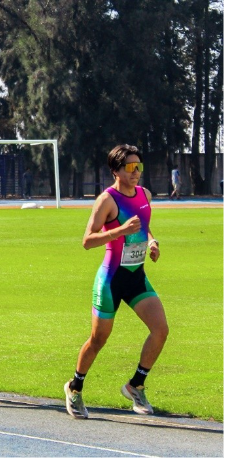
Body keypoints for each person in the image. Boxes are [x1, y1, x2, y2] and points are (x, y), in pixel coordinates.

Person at [64, 144, 168, 419]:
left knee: (160, 330)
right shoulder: (107, 200)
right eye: (130, 167)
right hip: (111, 279)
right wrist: (120, 230)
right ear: (115, 171)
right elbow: (87, 241)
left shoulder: (145, 194)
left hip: (136, 277)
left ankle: (136, 385)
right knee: (98, 339)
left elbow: (143, 226)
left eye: (139, 166)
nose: (136, 172)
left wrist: (152, 241)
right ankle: (74, 388)